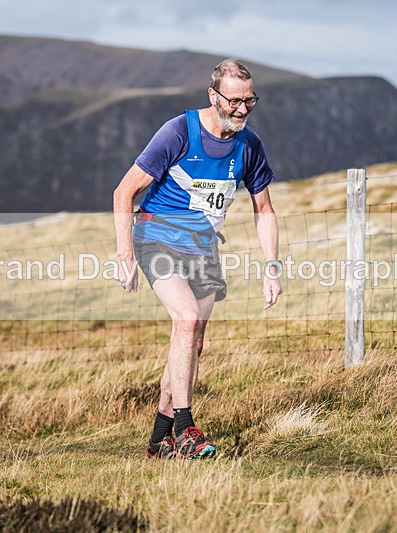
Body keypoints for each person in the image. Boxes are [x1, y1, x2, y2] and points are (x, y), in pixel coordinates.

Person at [113, 58, 282, 460]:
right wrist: (124, 254)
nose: (242, 109)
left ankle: (159, 438)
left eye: (250, 101)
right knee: (186, 320)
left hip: (203, 248)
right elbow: (124, 192)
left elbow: (265, 210)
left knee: (191, 341)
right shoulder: (178, 132)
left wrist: (271, 266)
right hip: (156, 238)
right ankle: (187, 429)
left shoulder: (248, 145)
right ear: (214, 95)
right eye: (234, 101)